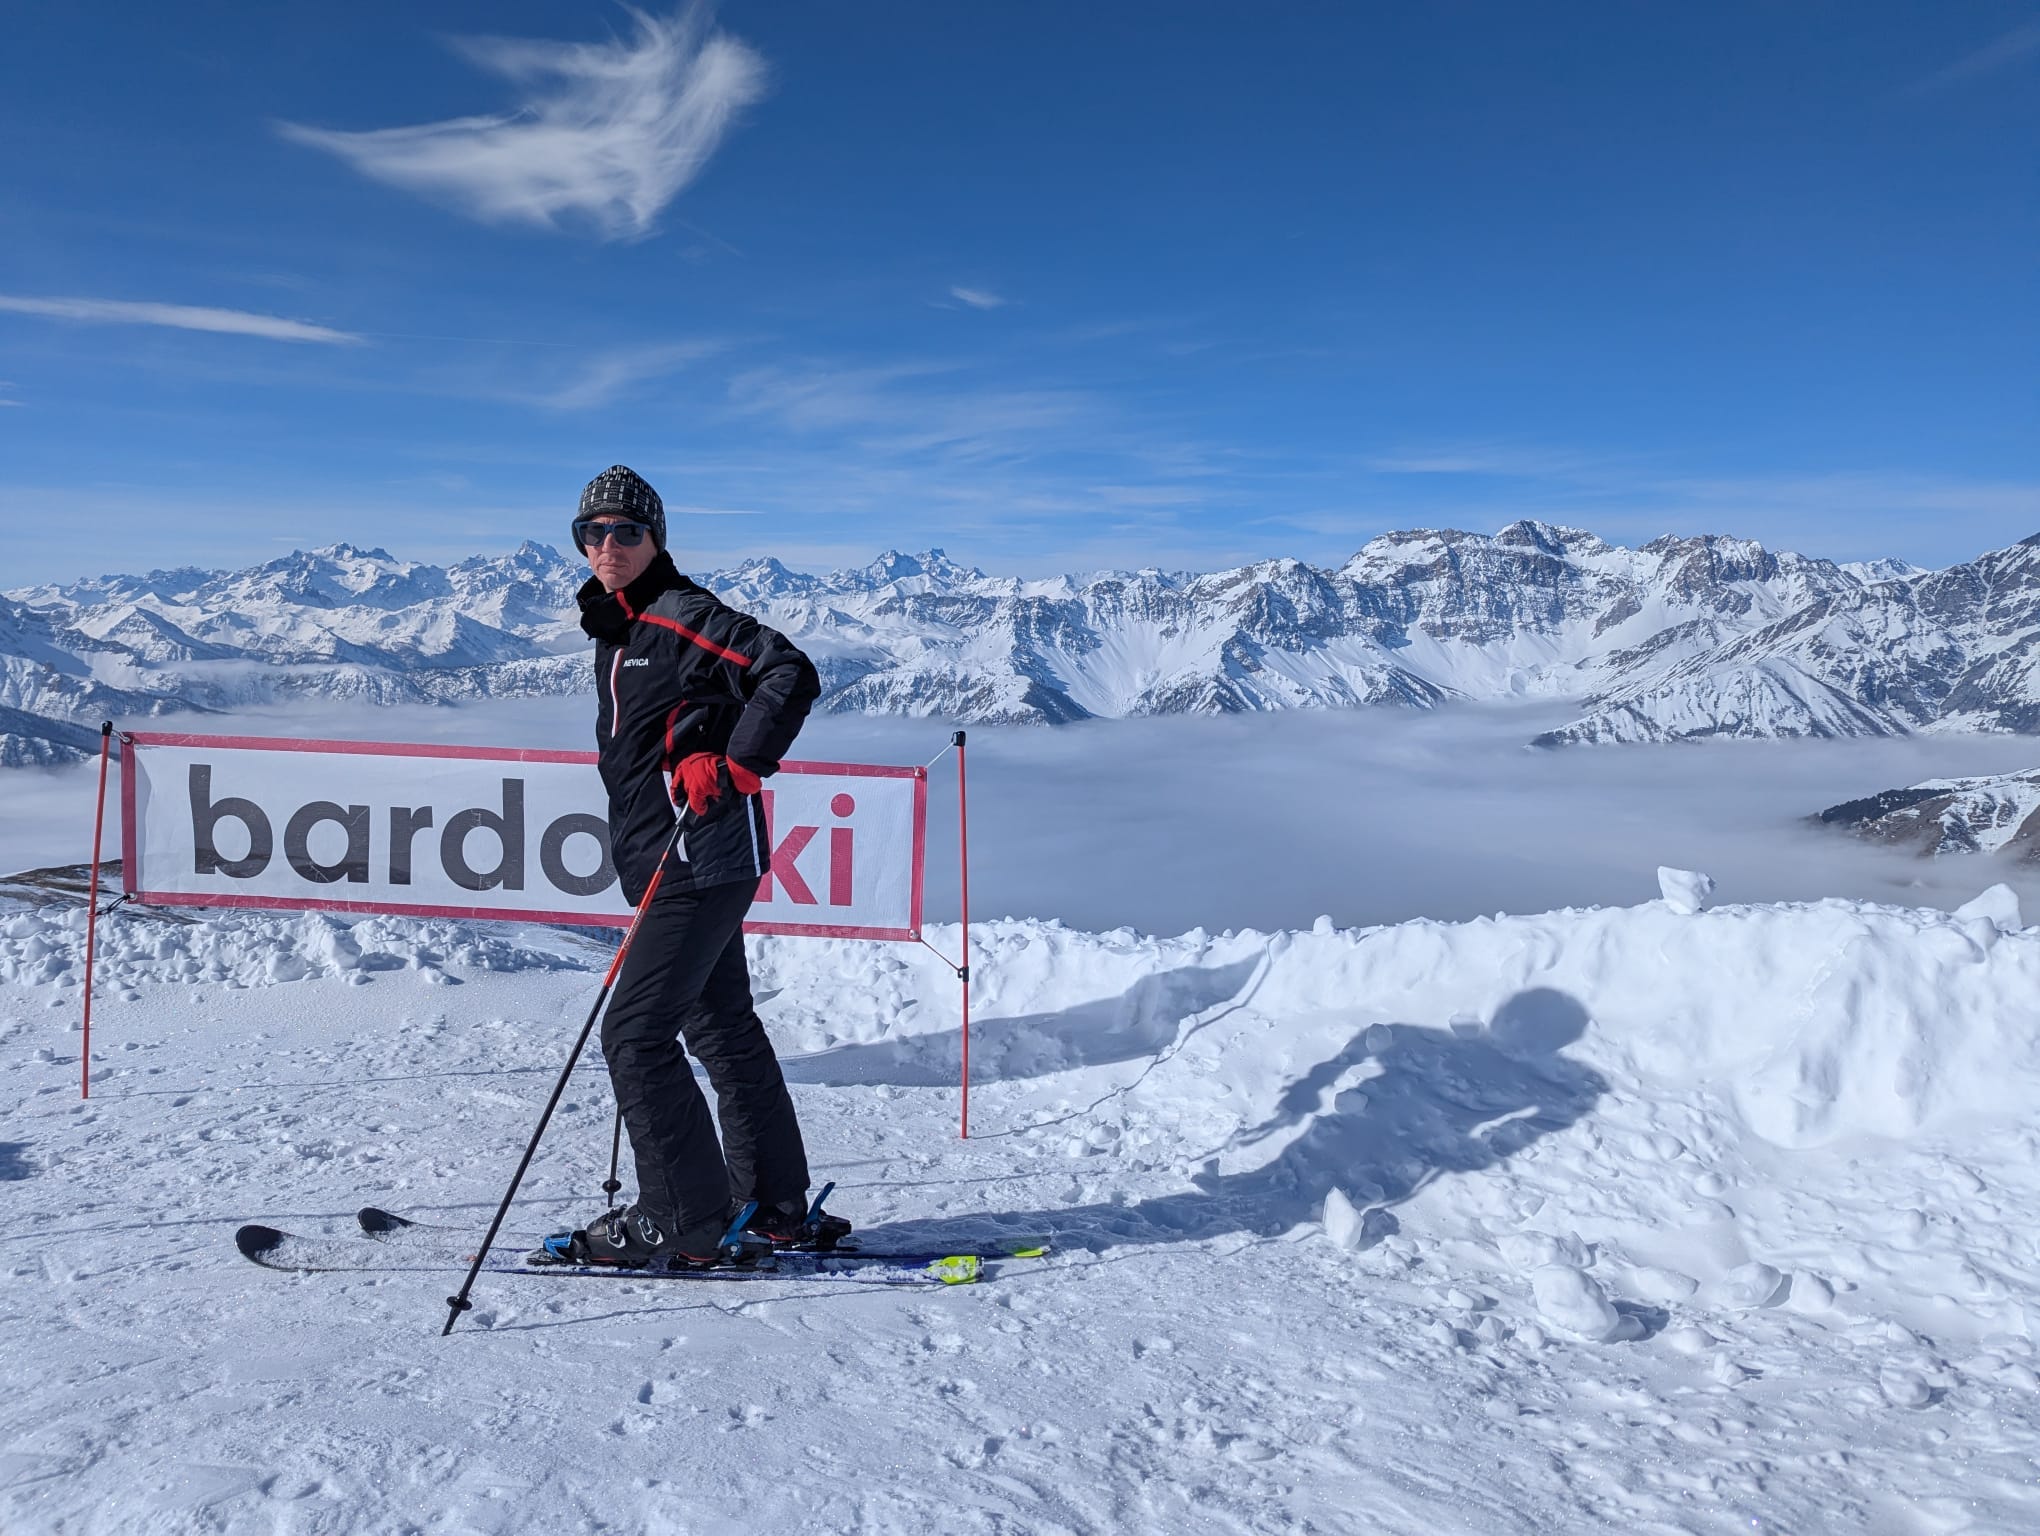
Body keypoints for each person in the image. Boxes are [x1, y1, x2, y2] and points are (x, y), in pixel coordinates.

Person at [564, 464, 844, 1267]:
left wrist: (737, 762)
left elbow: (788, 671)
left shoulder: (680, 614)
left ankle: (680, 1217)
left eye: (625, 531)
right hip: (685, 858)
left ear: (656, 538)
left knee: (634, 1034)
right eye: (591, 533)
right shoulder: (621, 629)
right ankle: (772, 1205)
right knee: (719, 1026)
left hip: (695, 856)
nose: (607, 546)